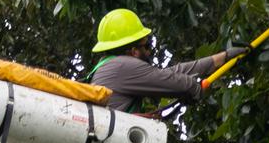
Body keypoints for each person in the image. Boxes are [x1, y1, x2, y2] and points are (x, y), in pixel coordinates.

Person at [88, 8, 248, 112]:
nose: (150, 51)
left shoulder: (109, 67)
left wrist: (224, 57)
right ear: (134, 51)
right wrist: (194, 87)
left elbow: (169, 74)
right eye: (147, 46)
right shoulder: (125, 67)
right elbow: (176, 82)